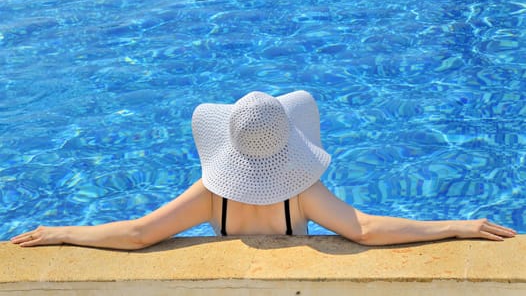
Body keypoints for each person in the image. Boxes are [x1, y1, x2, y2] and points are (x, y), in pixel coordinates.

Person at [11, 90, 516, 250]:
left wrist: (64, 232)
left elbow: (141, 233)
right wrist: (455, 226)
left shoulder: (211, 194)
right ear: (288, 138)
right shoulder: (302, 191)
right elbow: (363, 229)